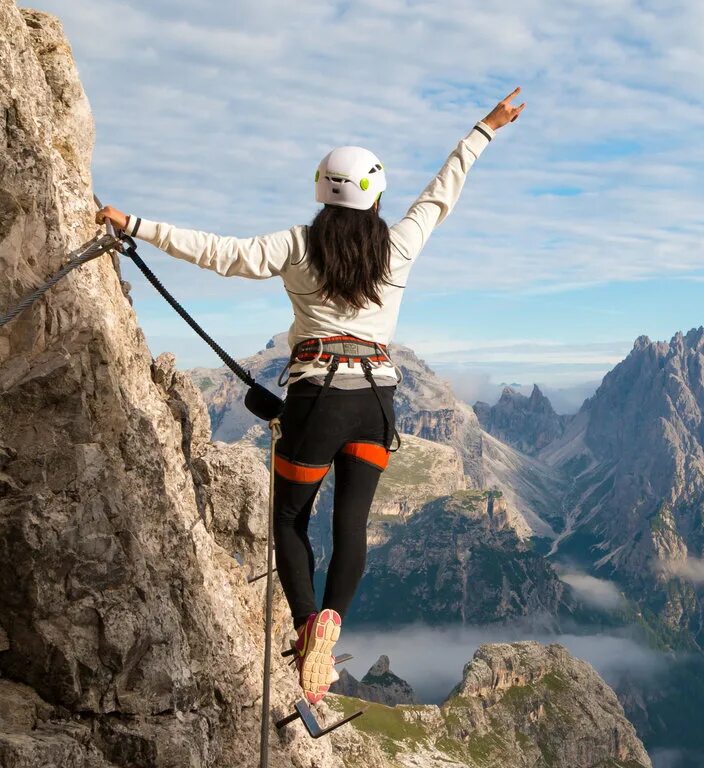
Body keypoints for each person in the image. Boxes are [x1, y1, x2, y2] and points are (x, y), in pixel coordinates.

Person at [96, 88, 525, 704]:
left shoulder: (297, 246)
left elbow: (221, 254)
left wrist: (135, 225)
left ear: (321, 189)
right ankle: (330, 625)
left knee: (292, 518)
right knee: (352, 524)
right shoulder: (398, 246)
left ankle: (304, 631)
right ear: (374, 193)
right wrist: (485, 128)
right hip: (376, 402)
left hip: (317, 399)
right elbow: (441, 194)